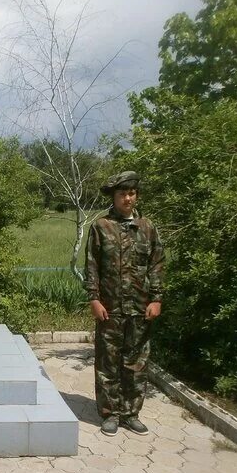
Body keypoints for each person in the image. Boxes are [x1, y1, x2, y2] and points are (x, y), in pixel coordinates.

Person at [83, 171, 164, 436]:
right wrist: (94, 298)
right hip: (110, 307)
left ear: (136, 195)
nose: (127, 198)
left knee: (137, 362)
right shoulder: (101, 226)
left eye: (131, 193)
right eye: (122, 194)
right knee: (108, 362)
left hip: (140, 308)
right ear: (114, 197)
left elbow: (156, 264)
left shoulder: (147, 227)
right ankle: (110, 413)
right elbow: (92, 265)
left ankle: (131, 413)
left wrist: (156, 298)